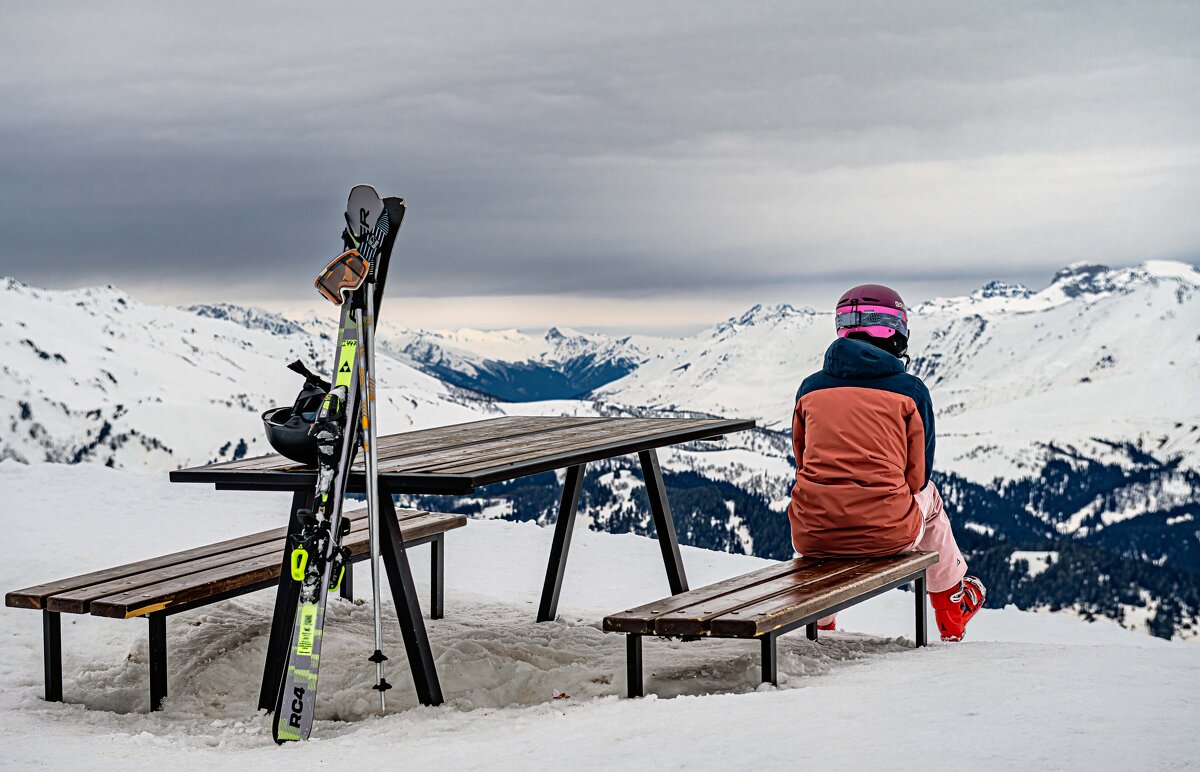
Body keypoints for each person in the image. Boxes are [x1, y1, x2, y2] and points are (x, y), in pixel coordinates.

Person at [787, 284, 986, 642]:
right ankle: (951, 605)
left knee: (822, 505)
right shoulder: (909, 391)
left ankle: (822, 622)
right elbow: (918, 477)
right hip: (889, 533)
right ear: (898, 331)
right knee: (933, 500)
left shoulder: (809, 389)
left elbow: (803, 463)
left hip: (809, 534)